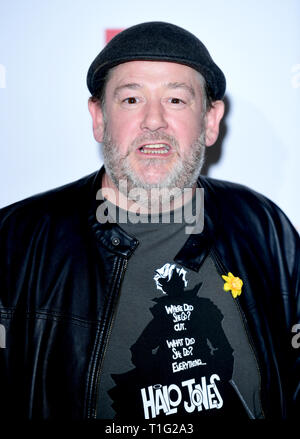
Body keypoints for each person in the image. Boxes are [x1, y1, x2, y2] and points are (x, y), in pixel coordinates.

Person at [0, 21, 299, 421]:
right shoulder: (16, 241)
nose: (154, 121)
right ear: (99, 117)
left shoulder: (264, 227)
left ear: (211, 121)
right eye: (131, 100)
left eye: (176, 100)